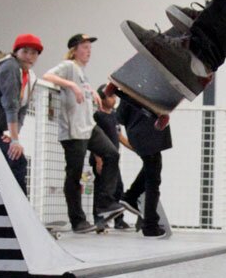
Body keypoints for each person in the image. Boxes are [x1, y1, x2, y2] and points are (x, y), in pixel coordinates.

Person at [43, 34, 123, 234]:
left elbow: (83, 91)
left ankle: (105, 201)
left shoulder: (82, 72)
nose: (89, 51)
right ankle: (77, 220)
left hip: (88, 127)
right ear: (74, 50)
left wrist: (91, 92)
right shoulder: (69, 66)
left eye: (90, 47)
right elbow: (47, 76)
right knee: (74, 174)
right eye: (85, 47)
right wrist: (70, 85)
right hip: (74, 131)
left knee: (112, 154)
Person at [0, 33, 43, 194]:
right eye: (25, 51)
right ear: (16, 52)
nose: (29, 56)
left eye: (34, 53)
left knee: (14, 160)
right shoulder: (11, 67)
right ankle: (19, 205)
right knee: (17, 159)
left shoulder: (30, 78)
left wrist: (12, 134)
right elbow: (11, 105)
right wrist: (14, 140)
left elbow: (22, 110)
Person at [112, 86, 173, 238]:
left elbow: (120, 117)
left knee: (151, 169)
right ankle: (150, 225)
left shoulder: (130, 87)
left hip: (137, 135)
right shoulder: (155, 87)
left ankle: (131, 197)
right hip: (150, 134)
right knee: (153, 180)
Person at [93, 84, 131, 229]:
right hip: (102, 158)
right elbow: (94, 139)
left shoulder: (114, 116)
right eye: (111, 96)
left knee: (118, 187)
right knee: (101, 188)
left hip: (113, 159)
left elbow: (119, 135)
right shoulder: (98, 116)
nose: (114, 99)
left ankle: (118, 220)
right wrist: (98, 160)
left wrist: (134, 148)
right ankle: (99, 219)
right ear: (102, 98)